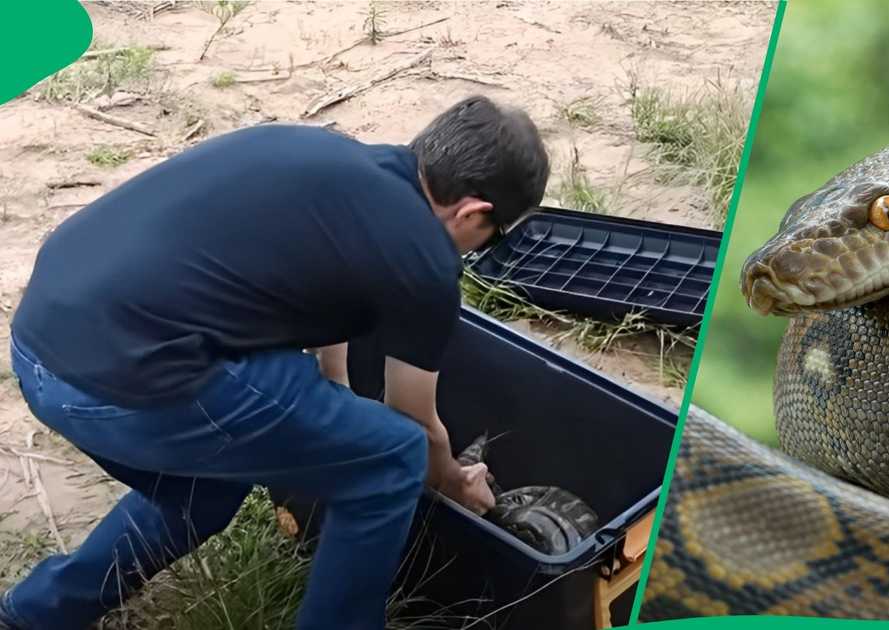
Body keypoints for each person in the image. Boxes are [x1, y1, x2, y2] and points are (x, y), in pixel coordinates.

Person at [0, 95, 550, 630]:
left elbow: (320, 313)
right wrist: (456, 482)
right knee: (391, 459)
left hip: (40, 349)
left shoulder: (320, 156)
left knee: (203, 489)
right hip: (128, 388)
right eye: (491, 237)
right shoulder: (425, 260)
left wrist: (333, 398)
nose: (477, 248)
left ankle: (36, 613)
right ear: (473, 211)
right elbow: (414, 422)